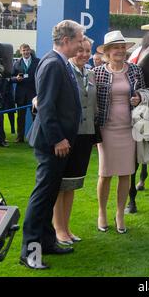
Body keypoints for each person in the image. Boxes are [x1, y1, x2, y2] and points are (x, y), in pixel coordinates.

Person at [20, 20, 85, 270]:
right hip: (51, 144)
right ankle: (30, 252)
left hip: (57, 143)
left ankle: (47, 243)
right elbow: (46, 106)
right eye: (79, 40)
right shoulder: (52, 64)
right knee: (42, 198)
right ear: (66, 40)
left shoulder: (59, 63)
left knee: (48, 198)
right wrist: (58, 138)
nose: (81, 46)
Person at [95, 31, 145, 234]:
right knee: (105, 174)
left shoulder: (135, 70)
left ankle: (119, 214)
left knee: (126, 173)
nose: (120, 51)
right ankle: (102, 213)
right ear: (107, 51)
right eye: (116, 47)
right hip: (106, 130)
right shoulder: (97, 72)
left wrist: (139, 98)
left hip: (128, 129)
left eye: (123, 47)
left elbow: (144, 92)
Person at [52, 36, 97, 245]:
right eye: (81, 50)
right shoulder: (63, 70)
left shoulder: (90, 73)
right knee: (59, 185)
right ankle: (58, 229)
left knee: (71, 184)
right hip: (67, 136)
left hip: (85, 135)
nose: (84, 54)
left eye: (88, 51)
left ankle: (66, 227)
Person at [11, 44, 40, 143]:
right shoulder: (17, 63)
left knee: (35, 116)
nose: (26, 52)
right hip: (21, 94)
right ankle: (20, 137)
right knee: (20, 117)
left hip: (33, 94)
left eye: (27, 50)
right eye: (24, 50)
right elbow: (11, 77)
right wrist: (16, 79)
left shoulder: (37, 62)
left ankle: (36, 137)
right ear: (20, 52)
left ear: (30, 51)